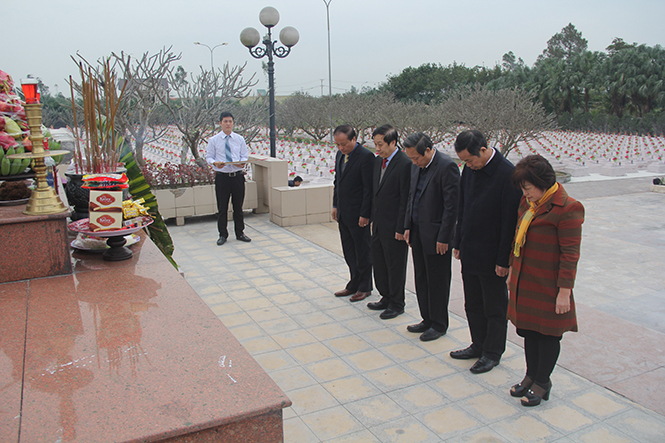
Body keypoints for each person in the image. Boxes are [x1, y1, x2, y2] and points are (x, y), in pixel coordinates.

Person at [507, 154, 585, 406]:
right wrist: (511, 271)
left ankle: (543, 382)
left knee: (548, 335)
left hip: (549, 285)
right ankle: (531, 376)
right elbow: (517, 237)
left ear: (541, 183)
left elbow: (570, 254)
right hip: (525, 279)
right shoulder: (529, 204)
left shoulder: (568, 208)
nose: (525, 193)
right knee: (529, 331)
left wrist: (564, 292)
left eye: (528, 187)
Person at [450, 130, 522, 374]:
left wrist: (503, 259)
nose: (468, 165)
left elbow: (508, 222)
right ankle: (477, 344)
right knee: (473, 303)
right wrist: (457, 241)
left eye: (470, 160)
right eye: (464, 162)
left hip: (493, 255)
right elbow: (463, 207)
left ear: (483, 150)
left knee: (494, 307)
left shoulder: (507, 174)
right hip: (470, 249)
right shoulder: (470, 170)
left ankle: (492, 352)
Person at [403, 133, 459, 341]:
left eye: (417, 157)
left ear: (428, 150)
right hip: (417, 231)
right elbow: (412, 197)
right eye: (411, 158)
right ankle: (426, 318)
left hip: (437, 236)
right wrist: (407, 224)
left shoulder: (446, 166)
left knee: (437, 280)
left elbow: (451, 207)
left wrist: (445, 237)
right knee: (421, 277)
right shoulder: (415, 165)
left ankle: (439, 323)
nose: (414, 162)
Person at [367, 124, 411, 319]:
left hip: (395, 227)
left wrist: (402, 227)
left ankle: (397, 302)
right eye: (375, 144)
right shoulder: (378, 162)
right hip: (378, 223)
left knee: (395, 265)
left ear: (393, 142)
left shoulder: (405, 163)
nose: (377, 149)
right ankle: (385, 296)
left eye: (380, 145)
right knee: (379, 262)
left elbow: (405, 199)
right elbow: (374, 193)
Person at [332, 124, 375, 302]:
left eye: (344, 144)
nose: (341, 148)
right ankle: (354, 282)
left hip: (359, 214)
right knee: (349, 251)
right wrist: (335, 205)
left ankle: (365, 286)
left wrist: (365, 214)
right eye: (338, 144)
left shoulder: (366, 157)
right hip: (343, 212)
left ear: (354, 139)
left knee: (362, 250)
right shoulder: (340, 155)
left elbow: (368, 188)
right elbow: (338, 181)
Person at [206, 112, 252, 245]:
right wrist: (215, 163)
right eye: (225, 121)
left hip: (237, 177)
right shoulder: (213, 140)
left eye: (230, 121)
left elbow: (244, 156)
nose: (228, 124)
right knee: (222, 208)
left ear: (233, 123)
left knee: (238, 207)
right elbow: (209, 157)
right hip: (222, 177)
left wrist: (241, 162)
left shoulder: (239, 139)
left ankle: (240, 233)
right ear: (220, 123)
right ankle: (223, 235)